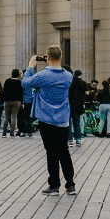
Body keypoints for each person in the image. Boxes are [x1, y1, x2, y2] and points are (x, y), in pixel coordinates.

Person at [23, 47, 77, 195]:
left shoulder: (43, 75)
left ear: (47, 57)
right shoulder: (68, 76)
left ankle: (54, 185)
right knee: (64, 151)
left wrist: (30, 66)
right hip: (63, 118)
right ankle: (70, 185)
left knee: (51, 151)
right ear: (60, 57)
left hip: (46, 119)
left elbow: (25, 83)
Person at [68, 68, 87, 147]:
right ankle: (78, 139)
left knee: (68, 123)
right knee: (77, 122)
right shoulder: (83, 83)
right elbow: (86, 93)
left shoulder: (70, 82)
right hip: (78, 105)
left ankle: (69, 140)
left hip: (69, 104)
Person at [1, 70, 24, 136]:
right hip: (17, 101)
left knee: (6, 117)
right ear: (18, 75)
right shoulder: (19, 82)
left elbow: (4, 91)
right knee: (14, 117)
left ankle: (4, 133)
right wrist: (22, 103)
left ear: (11, 73)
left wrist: (2, 101)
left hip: (7, 101)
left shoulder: (7, 81)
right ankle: (12, 132)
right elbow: (21, 93)